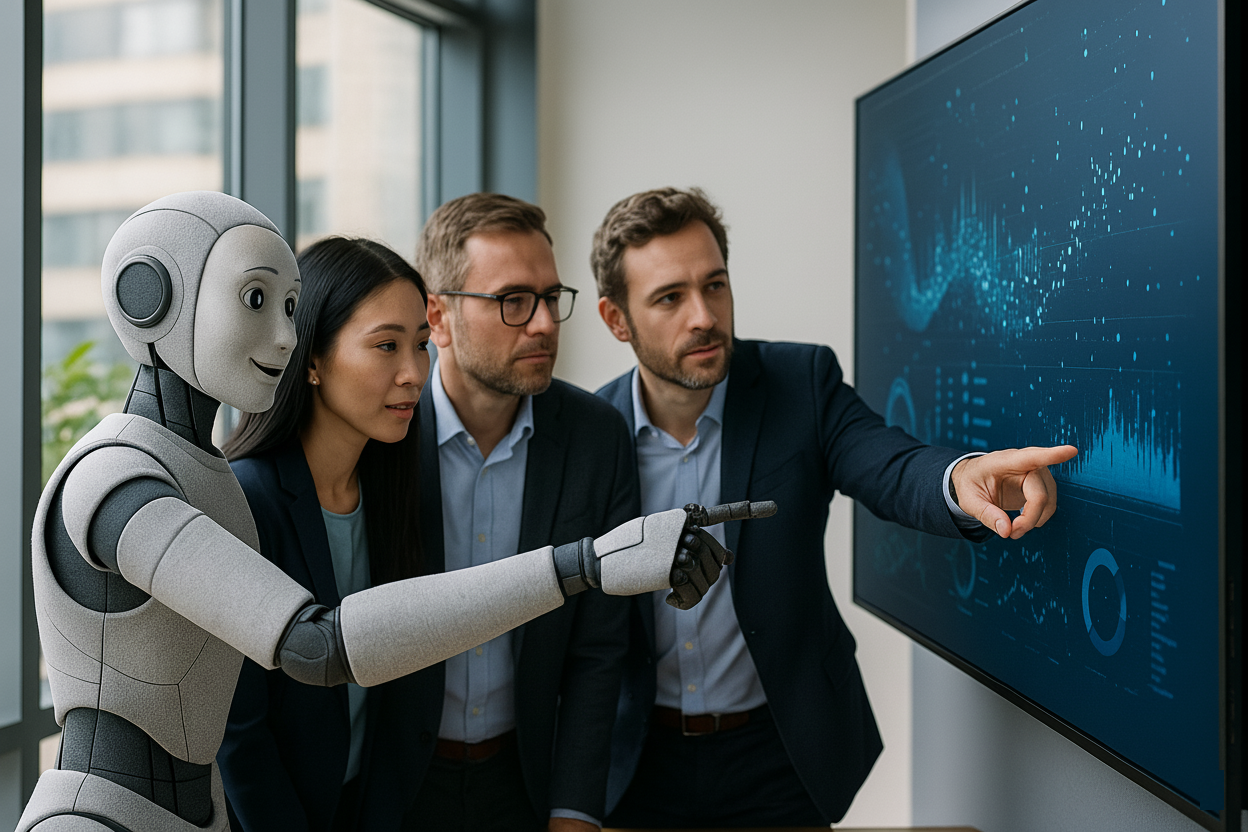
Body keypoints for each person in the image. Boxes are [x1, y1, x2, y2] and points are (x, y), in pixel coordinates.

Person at [18, 191, 732, 832]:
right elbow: (317, 648)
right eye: (256, 302)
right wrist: (582, 565)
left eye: (290, 309)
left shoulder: (349, 477)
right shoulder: (120, 476)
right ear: (151, 299)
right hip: (102, 812)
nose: (283, 339)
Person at [591, 187, 1079, 828]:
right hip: (637, 764)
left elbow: (889, 463)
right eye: (670, 297)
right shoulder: (589, 436)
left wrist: (959, 480)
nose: (704, 316)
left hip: (780, 754)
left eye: (715, 285)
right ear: (616, 319)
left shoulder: (800, 384)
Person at [403, 193, 635, 831]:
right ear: (438, 316)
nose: (543, 324)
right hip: (395, 785)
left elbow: (598, 645)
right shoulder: (383, 435)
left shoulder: (597, 435)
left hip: (526, 782)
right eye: (512, 301)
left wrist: (575, 810)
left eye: (550, 297)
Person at [216, 236, 433, 829]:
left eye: (421, 344)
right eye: (386, 346)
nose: (413, 373)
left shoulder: (391, 490)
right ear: (310, 358)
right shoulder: (245, 499)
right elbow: (239, 737)